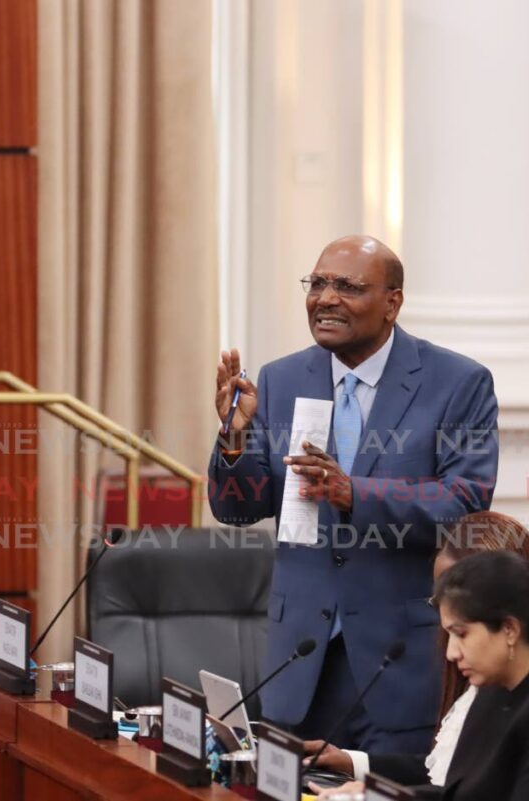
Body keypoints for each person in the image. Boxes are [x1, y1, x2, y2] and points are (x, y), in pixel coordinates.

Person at [208, 235, 499, 752]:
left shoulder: (457, 383)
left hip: (397, 663)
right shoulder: (280, 379)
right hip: (297, 661)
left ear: (392, 302)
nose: (325, 298)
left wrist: (353, 493)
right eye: (317, 283)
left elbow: (464, 506)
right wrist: (233, 437)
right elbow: (238, 509)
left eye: (347, 286)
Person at [318, 550, 529, 800]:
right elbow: (461, 793)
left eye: (461, 634)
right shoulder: (498, 682)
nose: (451, 653)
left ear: (509, 629)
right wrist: (374, 796)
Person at [305, 511, 529, 786]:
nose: (450, 650)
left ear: (509, 623)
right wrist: (352, 762)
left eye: (462, 627)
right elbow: (445, 771)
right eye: (438, 599)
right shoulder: (487, 676)